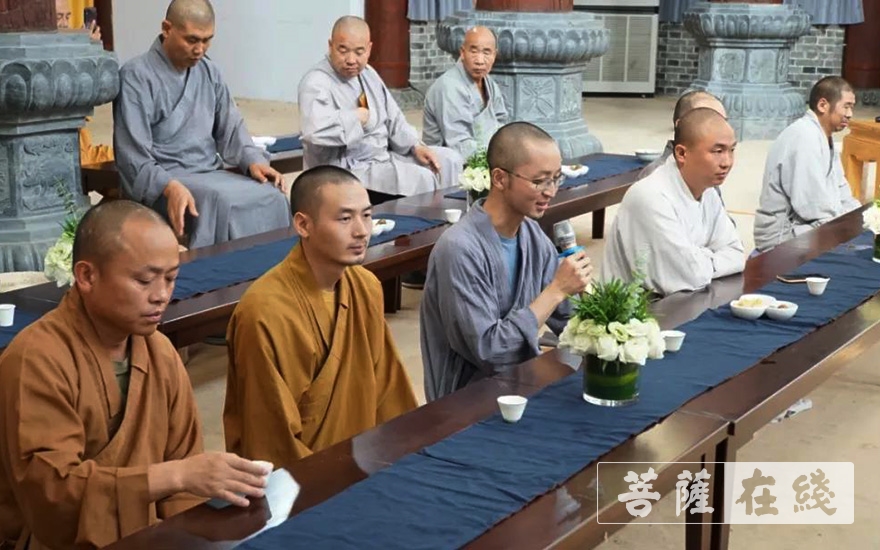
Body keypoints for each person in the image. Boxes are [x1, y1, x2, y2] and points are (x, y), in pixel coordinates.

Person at [0, 201, 270, 550]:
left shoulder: (160, 354)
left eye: (170, 278)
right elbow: (53, 497)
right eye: (144, 280)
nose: (161, 296)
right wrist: (175, 476)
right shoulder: (36, 359)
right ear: (87, 276)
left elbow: (186, 480)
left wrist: (183, 534)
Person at [224, 166, 418, 464]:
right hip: (300, 480)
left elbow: (388, 393)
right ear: (303, 225)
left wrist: (404, 457)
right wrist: (330, 479)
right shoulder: (264, 311)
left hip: (365, 466)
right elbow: (270, 438)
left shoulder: (365, 287)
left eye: (367, 215)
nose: (361, 231)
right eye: (345, 218)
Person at [420, 122, 592, 402]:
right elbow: (490, 352)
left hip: (522, 386)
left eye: (556, 178)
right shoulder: (459, 248)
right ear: (499, 179)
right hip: (466, 403)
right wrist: (557, 290)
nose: (550, 191)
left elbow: (570, 321)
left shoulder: (533, 237)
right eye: (539, 181)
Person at [114, 0, 290, 249]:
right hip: (166, 180)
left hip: (209, 172)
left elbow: (231, 128)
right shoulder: (136, 76)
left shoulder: (210, 72)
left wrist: (253, 160)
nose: (199, 49)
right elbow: (132, 155)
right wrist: (167, 185)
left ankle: (275, 270)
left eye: (207, 40)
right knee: (222, 202)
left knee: (273, 196)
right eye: (192, 40)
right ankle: (225, 272)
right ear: (167, 28)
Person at [298, 16, 462, 203]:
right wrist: (354, 118)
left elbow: (394, 117)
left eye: (359, 52)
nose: (351, 60)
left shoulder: (368, 74)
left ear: (369, 49)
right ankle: (422, 222)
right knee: (420, 178)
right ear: (330, 46)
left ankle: (449, 217)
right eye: (343, 50)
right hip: (346, 168)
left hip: (382, 156)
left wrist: (415, 145)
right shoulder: (316, 82)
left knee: (449, 160)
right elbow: (314, 132)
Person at [601, 108, 745, 296]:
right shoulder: (650, 196)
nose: (727, 162)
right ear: (681, 153)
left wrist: (699, 259)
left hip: (689, 298)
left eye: (731, 150)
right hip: (637, 310)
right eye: (717, 151)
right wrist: (707, 257)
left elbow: (737, 254)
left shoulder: (708, 190)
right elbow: (687, 276)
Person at [753, 76, 861, 252]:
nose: (850, 114)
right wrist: (847, 228)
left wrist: (860, 219)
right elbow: (812, 207)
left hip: (812, 225)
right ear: (823, 105)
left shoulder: (823, 137)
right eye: (846, 106)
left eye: (852, 107)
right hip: (783, 236)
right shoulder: (804, 137)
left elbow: (842, 192)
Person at [422, 25, 508, 160]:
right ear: (462, 52)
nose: (480, 61)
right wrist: (500, 156)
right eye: (473, 52)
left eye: (486, 53)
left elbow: (501, 121)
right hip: (450, 163)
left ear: (494, 55)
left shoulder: (489, 83)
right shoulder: (449, 87)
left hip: (486, 155)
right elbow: (459, 145)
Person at [55, 0, 114, 166]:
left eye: (67, 17)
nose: (64, 24)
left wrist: (91, 53)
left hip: (81, 145)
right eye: (59, 18)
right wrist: (83, 54)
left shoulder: (71, 49)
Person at [639, 90, 727, 179]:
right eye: (711, 122)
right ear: (681, 125)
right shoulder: (657, 176)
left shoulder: (708, 168)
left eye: (724, 122)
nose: (722, 129)